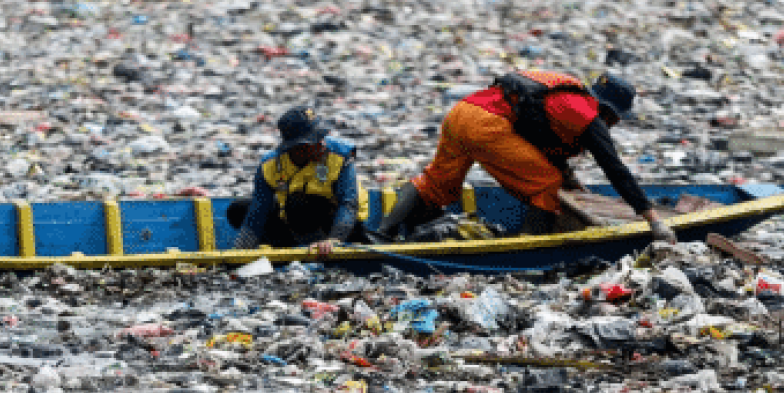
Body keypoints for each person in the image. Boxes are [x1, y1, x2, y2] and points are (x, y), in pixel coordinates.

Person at [370, 71, 677, 244]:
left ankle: (382, 233)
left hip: (462, 111)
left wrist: (574, 182)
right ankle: (529, 246)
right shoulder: (590, 119)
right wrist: (651, 218)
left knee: (435, 183)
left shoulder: (566, 94)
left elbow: (540, 139)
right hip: (487, 125)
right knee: (547, 185)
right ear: (611, 112)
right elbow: (615, 169)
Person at [229, 106, 369, 257]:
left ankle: (317, 251)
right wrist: (238, 253)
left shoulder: (340, 154)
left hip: (342, 225)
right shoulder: (270, 165)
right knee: (239, 209)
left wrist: (334, 240)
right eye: (316, 139)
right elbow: (258, 212)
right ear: (297, 147)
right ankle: (287, 251)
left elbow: (348, 203)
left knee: (298, 205)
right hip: (295, 221)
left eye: (322, 137)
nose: (323, 143)